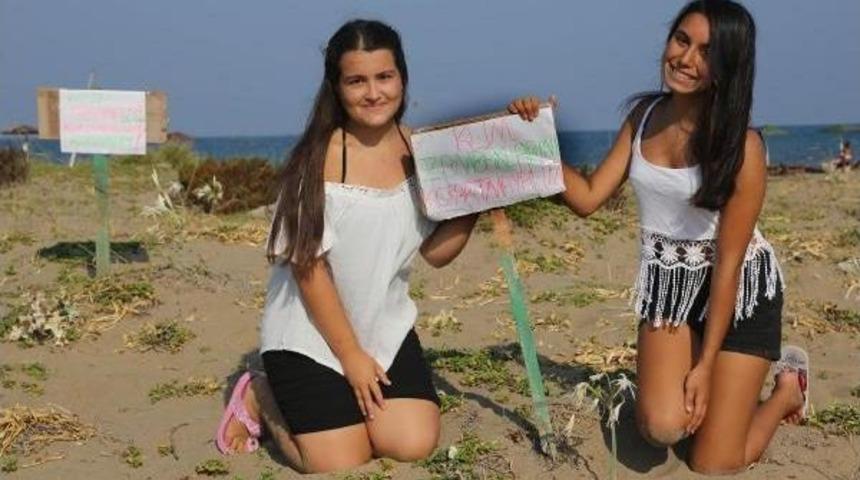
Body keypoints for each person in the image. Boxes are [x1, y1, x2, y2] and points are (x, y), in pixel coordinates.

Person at [509, 0, 808, 474]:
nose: (687, 59)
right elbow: (587, 198)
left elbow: (728, 263)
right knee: (665, 427)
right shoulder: (644, 116)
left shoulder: (743, 146)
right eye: (681, 40)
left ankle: (787, 390)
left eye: (707, 52)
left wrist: (705, 367)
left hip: (740, 295)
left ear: (728, 66)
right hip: (671, 289)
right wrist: (534, 141)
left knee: (714, 462)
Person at [214, 19, 478, 473]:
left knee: (410, 444)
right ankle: (261, 393)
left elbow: (436, 253)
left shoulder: (425, 151)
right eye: (357, 80)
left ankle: (340, 403)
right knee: (340, 462)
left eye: (384, 77)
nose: (373, 93)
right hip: (310, 336)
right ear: (336, 88)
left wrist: (475, 201)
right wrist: (351, 358)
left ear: (402, 78)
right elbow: (307, 271)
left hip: (386, 330)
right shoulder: (315, 160)